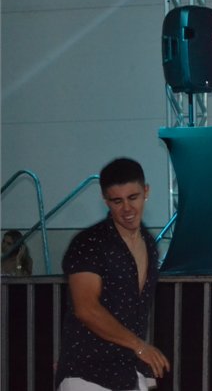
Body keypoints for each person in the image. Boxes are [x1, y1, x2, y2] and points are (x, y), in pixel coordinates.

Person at [55, 158, 170, 390]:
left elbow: (137, 313)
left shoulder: (149, 244)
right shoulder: (89, 243)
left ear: (146, 192)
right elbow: (86, 308)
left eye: (133, 197)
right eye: (117, 201)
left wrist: (144, 367)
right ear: (105, 200)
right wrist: (140, 347)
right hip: (86, 374)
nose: (127, 208)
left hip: (127, 371)